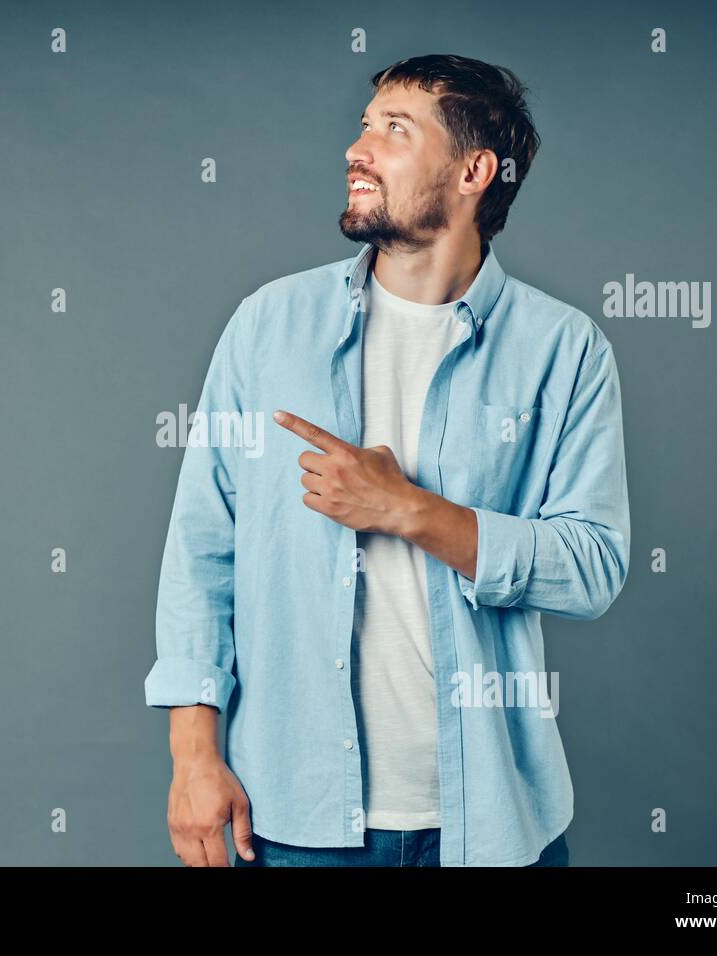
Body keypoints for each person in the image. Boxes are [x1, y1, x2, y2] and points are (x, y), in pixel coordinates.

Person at [144, 54, 630, 867]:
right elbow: (202, 551)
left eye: (394, 130)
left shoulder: (564, 351)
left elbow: (593, 567)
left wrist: (409, 509)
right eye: (364, 126)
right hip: (296, 820)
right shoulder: (268, 328)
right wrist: (193, 758)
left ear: (475, 170)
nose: (356, 148)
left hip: (491, 826)